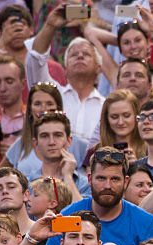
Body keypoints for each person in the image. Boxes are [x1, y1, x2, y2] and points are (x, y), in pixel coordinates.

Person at [42, 148, 153, 245]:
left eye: (115, 179)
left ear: (126, 182)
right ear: (89, 179)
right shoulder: (67, 217)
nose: (108, 186)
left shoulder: (145, 223)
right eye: (101, 178)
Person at [25, 9, 105, 146]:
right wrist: (50, 25)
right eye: (74, 55)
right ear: (65, 68)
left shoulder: (106, 106)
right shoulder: (51, 96)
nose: (80, 56)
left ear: (98, 67)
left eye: (86, 54)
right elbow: (35, 60)